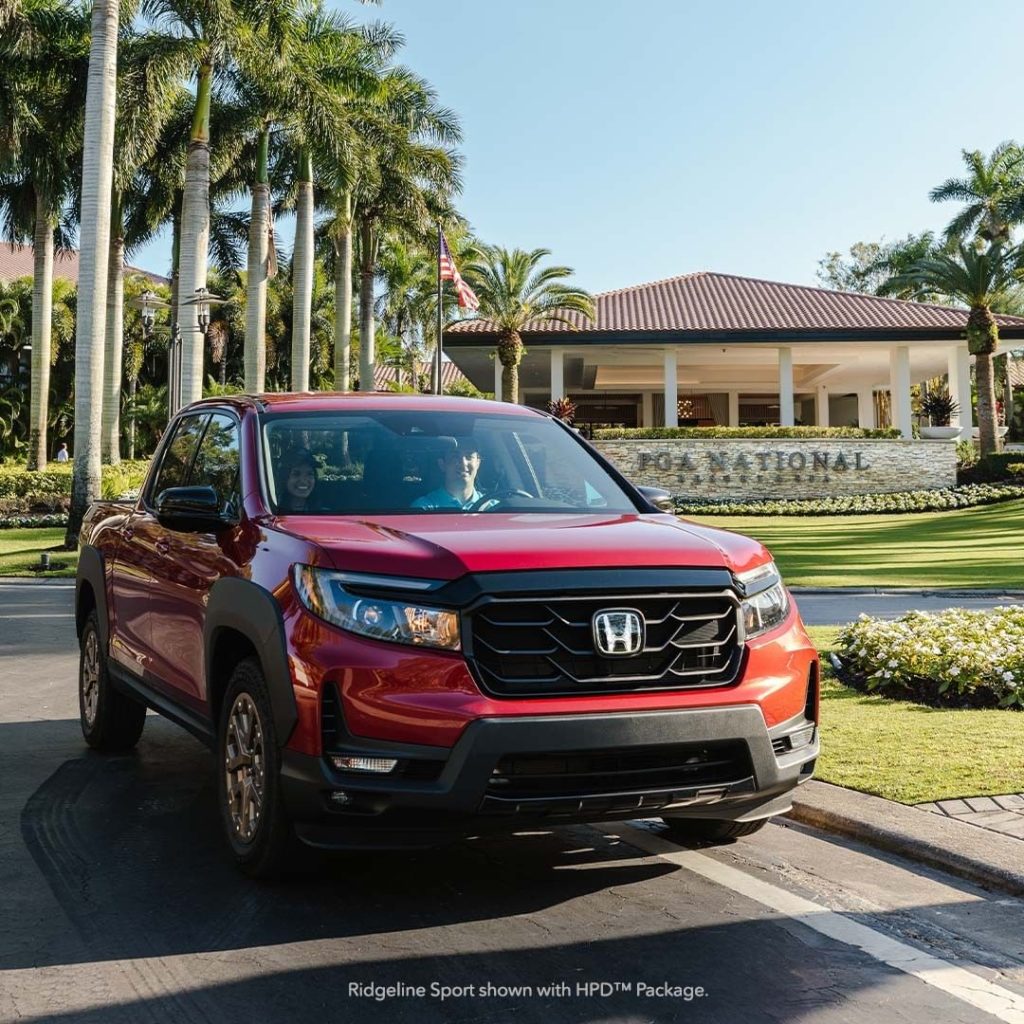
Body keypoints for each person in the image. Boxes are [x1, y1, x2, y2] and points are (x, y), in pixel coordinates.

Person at [412, 438, 483, 510]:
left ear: (478, 463)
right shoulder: (424, 508)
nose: (463, 463)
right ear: (442, 464)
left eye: (469, 457)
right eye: (455, 457)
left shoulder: (491, 507)